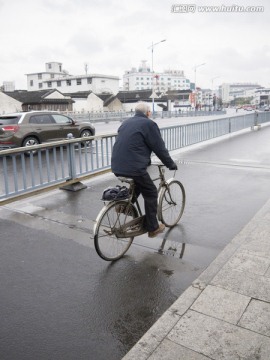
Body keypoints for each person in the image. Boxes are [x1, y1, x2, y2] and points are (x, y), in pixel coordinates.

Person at [111, 102, 178, 238]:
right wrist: (170, 164)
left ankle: (124, 206)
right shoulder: (149, 124)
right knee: (151, 192)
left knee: (140, 183)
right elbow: (159, 148)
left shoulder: (125, 123)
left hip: (117, 165)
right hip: (134, 167)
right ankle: (153, 228)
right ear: (148, 113)